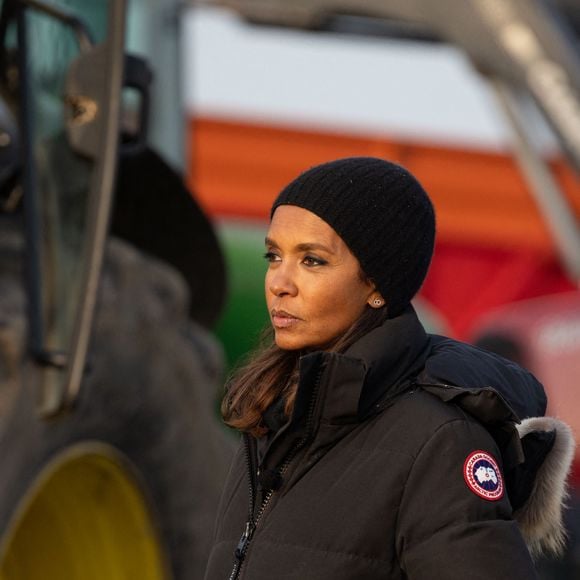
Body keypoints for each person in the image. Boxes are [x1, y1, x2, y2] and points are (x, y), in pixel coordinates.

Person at [204, 157, 574, 580]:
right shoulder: (270, 419)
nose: (279, 282)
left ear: (377, 284)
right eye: (274, 255)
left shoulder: (438, 440)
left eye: (313, 261)